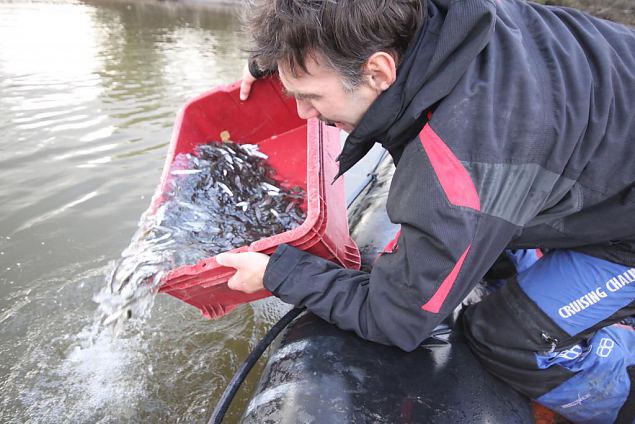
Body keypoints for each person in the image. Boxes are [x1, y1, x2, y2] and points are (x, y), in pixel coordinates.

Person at [214, 0, 635, 421]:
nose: (304, 112)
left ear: (378, 72)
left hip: (624, 231)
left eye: (309, 97)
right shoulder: (437, 18)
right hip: (604, 152)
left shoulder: (459, 160)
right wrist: (272, 61)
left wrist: (277, 272)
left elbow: (396, 319)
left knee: (504, 338)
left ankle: (621, 391)